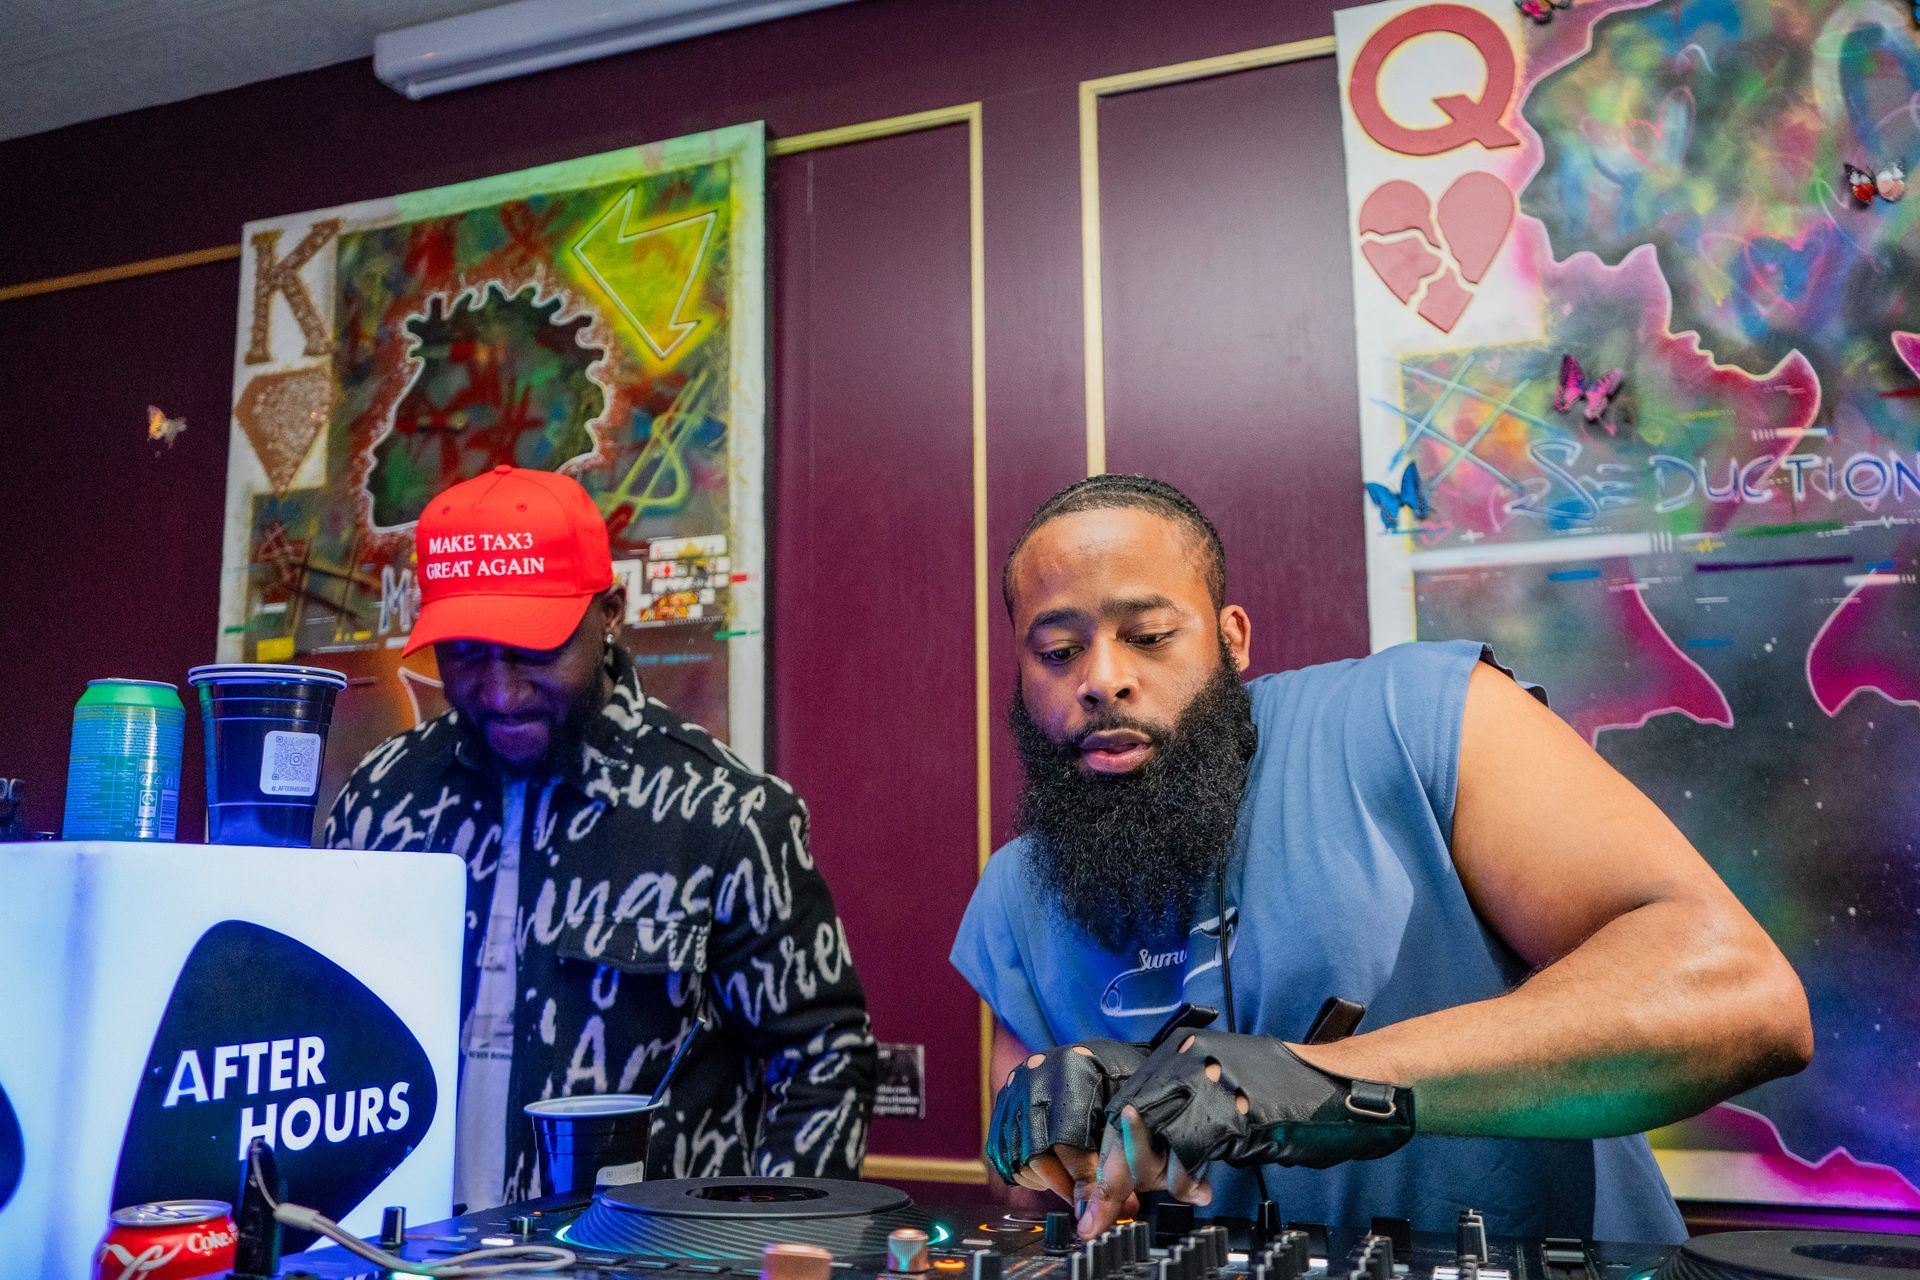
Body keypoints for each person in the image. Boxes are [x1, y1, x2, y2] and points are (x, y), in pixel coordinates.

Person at [951, 474, 1812, 1244]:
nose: (1102, 679)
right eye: (1059, 653)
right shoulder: (1012, 894)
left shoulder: (1417, 715)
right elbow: (1034, 1201)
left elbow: (1743, 997)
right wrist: (1049, 1135)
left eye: (1148, 635)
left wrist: (1326, 1082)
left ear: (1232, 639)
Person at [326, 465, 877, 1210]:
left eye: (532, 650)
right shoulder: (378, 799)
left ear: (611, 611)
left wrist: (766, 1251)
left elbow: (821, 1060)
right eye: (464, 652)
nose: (499, 690)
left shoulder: (727, 814)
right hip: (403, 1250)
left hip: (644, 1260)